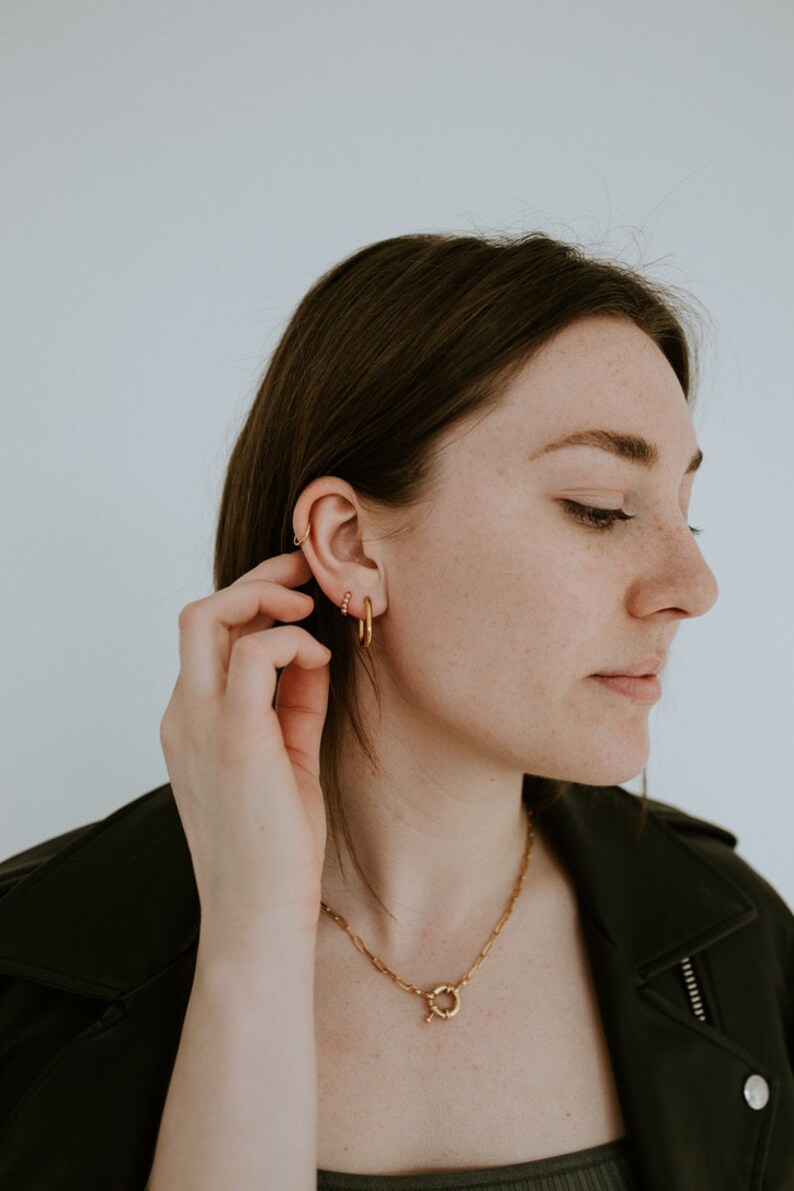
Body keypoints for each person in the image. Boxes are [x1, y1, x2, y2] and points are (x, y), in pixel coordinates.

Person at [0, 232, 792, 1191]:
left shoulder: (733, 940)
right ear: (351, 545)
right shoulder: (27, 972)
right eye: (602, 505)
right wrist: (252, 937)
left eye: (686, 511)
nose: (693, 585)